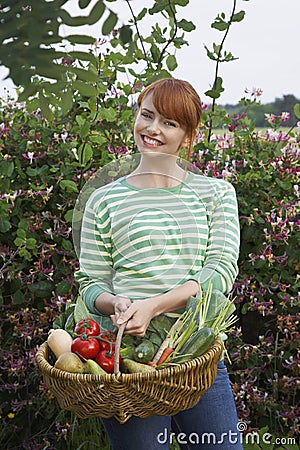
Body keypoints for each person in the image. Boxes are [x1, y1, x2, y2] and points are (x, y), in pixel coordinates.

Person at [74, 78, 242, 449]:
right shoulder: (103, 200)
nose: (152, 129)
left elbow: (218, 273)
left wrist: (153, 306)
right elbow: (90, 284)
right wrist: (116, 303)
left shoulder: (214, 194)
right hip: (126, 362)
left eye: (169, 122)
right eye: (147, 115)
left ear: (188, 135)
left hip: (197, 355)